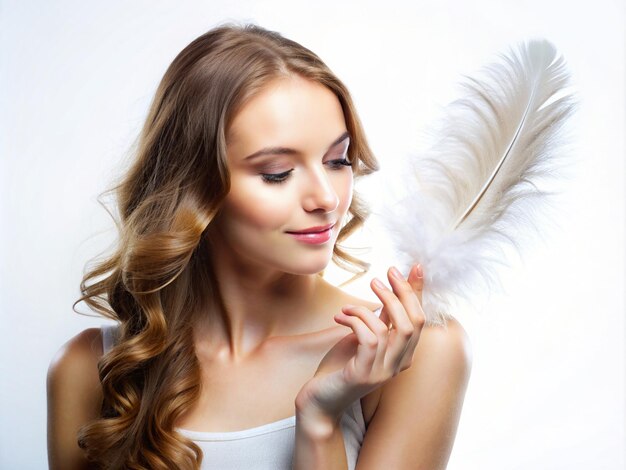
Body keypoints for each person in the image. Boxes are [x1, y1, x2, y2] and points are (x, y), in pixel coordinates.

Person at [46, 23, 472, 470]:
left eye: (337, 161)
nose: (327, 198)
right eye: (277, 173)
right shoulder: (90, 369)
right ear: (192, 187)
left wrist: (320, 419)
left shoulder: (407, 354)